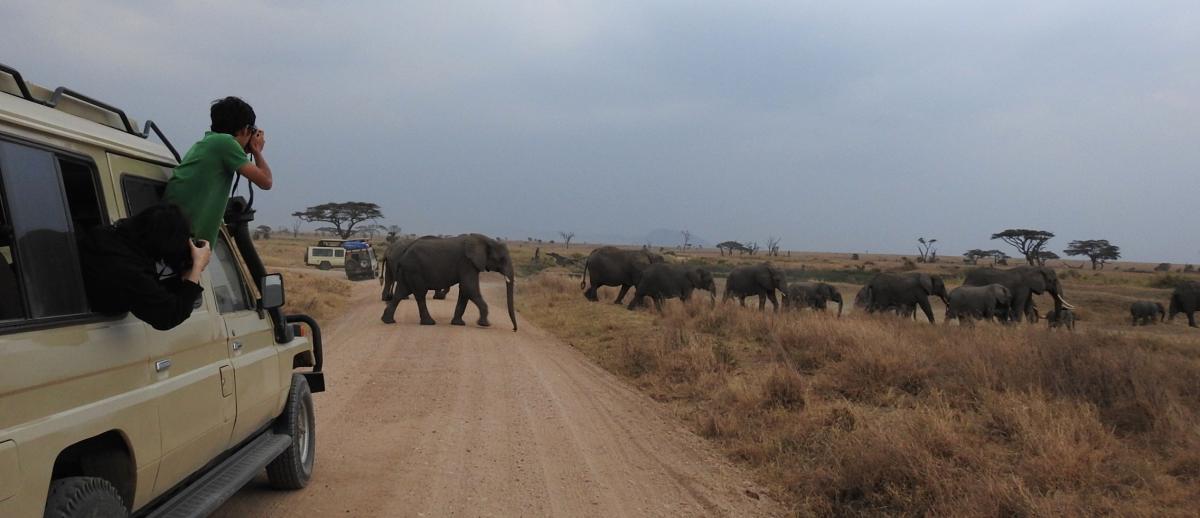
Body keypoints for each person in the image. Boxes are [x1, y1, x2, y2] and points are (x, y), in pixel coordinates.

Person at [79, 204, 212, 331]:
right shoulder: (129, 270)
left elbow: (149, 287)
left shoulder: (104, 236)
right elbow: (168, 316)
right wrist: (197, 266)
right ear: (165, 244)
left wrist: (185, 274)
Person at [164, 96, 274, 244]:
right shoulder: (226, 143)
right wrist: (257, 150)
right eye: (252, 130)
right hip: (185, 240)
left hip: (174, 233)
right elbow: (266, 182)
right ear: (245, 129)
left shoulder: (209, 142)